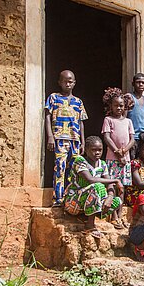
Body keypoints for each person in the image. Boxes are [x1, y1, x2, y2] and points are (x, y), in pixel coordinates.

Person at [63, 136, 123, 239]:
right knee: (98, 186)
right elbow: (90, 179)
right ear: (86, 150)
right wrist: (116, 180)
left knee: (117, 200)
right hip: (74, 202)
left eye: (100, 150)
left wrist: (110, 196)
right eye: (94, 150)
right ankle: (89, 225)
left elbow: (109, 185)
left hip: (89, 201)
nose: (97, 152)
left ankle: (87, 216)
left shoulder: (102, 164)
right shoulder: (80, 161)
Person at [45, 70, 88, 207]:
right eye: (65, 81)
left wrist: (82, 142)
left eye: (70, 81)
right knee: (60, 168)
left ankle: (72, 199)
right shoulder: (53, 98)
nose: (68, 84)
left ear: (74, 83)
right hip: (60, 138)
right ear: (59, 82)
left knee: (74, 170)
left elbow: (81, 122)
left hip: (75, 140)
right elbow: (47, 116)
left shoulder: (78, 102)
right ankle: (58, 198)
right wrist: (50, 136)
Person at [101, 87, 135, 229]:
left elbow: (132, 139)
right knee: (113, 187)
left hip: (125, 160)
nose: (119, 108)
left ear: (125, 106)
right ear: (111, 106)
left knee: (122, 189)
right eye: (116, 105)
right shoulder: (108, 120)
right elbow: (106, 137)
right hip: (113, 159)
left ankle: (120, 216)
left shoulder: (128, 122)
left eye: (121, 105)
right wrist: (117, 152)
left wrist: (125, 151)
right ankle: (113, 216)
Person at [127, 73, 144, 159]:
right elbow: (124, 118)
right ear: (133, 84)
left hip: (143, 137)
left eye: (142, 82)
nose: (140, 84)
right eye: (138, 82)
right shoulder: (129, 98)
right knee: (132, 159)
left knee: (141, 161)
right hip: (132, 137)